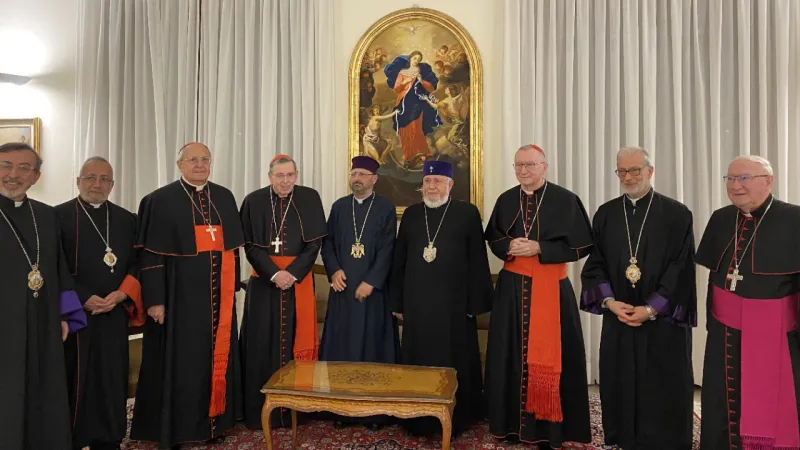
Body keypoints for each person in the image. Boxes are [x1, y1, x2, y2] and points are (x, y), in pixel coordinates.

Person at [130, 142, 244, 449]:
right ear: (180, 164)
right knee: (181, 365)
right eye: (192, 160)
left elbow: (232, 252)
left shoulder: (223, 197)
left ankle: (214, 424)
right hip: (179, 302)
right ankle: (176, 429)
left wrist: (232, 291)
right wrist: (155, 299)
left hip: (218, 302)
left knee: (214, 361)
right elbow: (150, 256)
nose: (199, 164)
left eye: (205, 159)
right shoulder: (159, 200)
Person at [580, 147, 696, 449]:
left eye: (635, 170)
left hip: (662, 320)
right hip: (619, 315)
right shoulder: (605, 214)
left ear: (650, 171)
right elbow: (595, 265)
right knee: (620, 379)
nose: (628, 177)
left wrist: (651, 308)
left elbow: (681, 269)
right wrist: (609, 302)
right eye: (622, 171)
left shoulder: (676, 214)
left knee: (663, 383)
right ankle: (622, 438)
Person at [483, 144, 593, 448]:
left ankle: (551, 431)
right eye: (518, 165)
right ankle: (509, 427)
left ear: (544, 166)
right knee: (509, 356)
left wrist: (541, 248)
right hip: (512, 291)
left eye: (530, 165)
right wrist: (508, 246)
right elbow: (493, 236)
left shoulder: (566, 200)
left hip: (552, 289)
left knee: (557, 356)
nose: (523, 171)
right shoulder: (506, 199)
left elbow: (583, 245)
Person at [696, 155, 800, 450]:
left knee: (773, 398)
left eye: (745, 178)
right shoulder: (720, 218)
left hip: (778, 335)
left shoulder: (794, 219)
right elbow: (713, 280)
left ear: (769, 181)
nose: (736, 186)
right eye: (730, 179)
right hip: (725, 331)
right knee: (722, 397)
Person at [389, 159, 493, 437]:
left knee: (454, 359)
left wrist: (475, 304)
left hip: (455, 307)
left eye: (437, 181)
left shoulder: (467, 213)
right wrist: (397, 303)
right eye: (427, 182)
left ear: (450, 185)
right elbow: (399, 261)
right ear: (421, 185)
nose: (432, 186)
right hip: (416, 305)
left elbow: (478, 262)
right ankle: (416, 416)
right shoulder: (411, 214)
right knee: (418, 359)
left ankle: (459, 415)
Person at [0, 142, 87, 449]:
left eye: (24, 168)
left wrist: (66, 314)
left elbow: (59, 267)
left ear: (36, 176)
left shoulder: (47, 216)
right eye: (6, 166)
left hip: (43, 320)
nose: (14, 175)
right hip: (4, 325)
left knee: (44, 388)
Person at [56, 156, 146, 450]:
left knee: (112, 378)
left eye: (104, 179)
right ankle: (73, 437)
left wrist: (122, 294)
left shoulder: (125, 219)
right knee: (77, 378)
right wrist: (82, 298)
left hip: (113, 313)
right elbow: (53, 266)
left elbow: (137, 264)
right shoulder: (57, 217)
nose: (97, 184)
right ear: (78, 180)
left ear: (112, 184)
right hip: (74, 315)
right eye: (90, 177)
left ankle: (109, 438)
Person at [239, 154, 327, 430]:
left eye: (290, 175)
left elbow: (314, 245)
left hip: (298, 282)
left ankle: (296, 410)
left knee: (295, 343)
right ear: (270, 176)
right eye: (280, 176)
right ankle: (258, 410)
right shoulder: (254, 201)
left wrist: (293, 274)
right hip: (265, 283)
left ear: (296, 175)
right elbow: (251, 246)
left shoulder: (309, 198)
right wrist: (276, 274)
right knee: (260, 344)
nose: (286, 181)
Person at [320, 154, 398, 377]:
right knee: (342, 342)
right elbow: (327, 243)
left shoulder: (385, 208)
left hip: (372, 292)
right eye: (354, 174)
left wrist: (371, 282)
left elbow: (388, 249)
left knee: (372, 343)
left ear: (374, 178)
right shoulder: (339, 207)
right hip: (342, 288)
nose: (356, 179)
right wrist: (334, 270)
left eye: (362, 175)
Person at [384, 51, 443, 164]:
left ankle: (422, 152)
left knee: (416, 128)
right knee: (404, 129)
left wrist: (422, 81)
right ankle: (409, 155)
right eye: (415, 58)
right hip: (404, 102)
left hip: (417, 103)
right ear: (410, 59)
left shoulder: (421, 72)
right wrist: (404, 82)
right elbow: (397, 89)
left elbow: (430, 89)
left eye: (418, 59)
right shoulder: (402, 72)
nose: (416, 61)